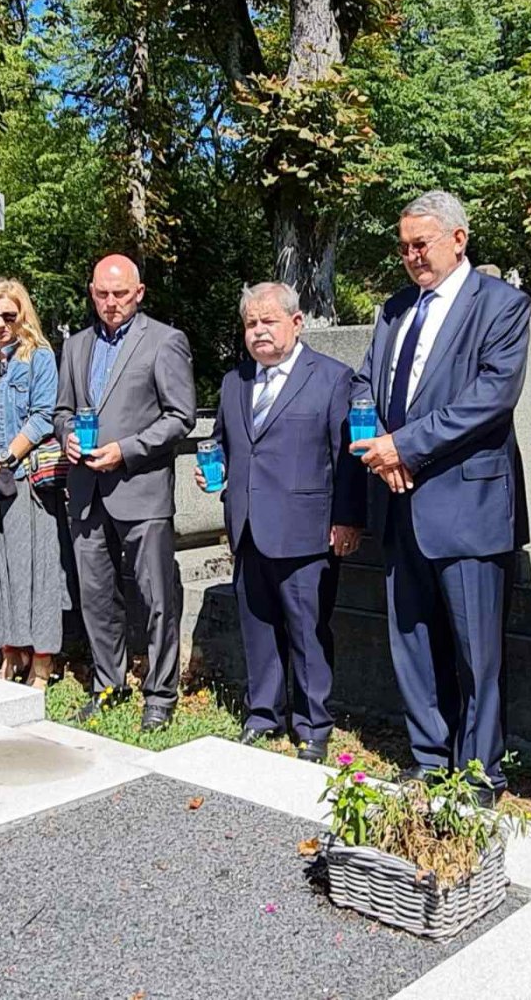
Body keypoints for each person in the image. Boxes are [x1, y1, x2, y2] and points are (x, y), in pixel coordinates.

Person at [350, 191, 530, 806]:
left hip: (468, 505)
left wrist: (404, 446)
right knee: (413, 640)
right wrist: (378, 443)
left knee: (477, 651)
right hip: (397, 500)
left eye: (420, 244)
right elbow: (364, 384)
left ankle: (479, 773)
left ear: (459, 239)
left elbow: (491, 397)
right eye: (403, 247)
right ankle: (429, 758)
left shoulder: (501, 306)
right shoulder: (395, 310)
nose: (411, 256)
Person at [197, 282, 365, 762]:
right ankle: (263, 714)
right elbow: (224, 442)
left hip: (307, 529)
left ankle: (313, 725)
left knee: (307, 632)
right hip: (249, 526)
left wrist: (348, 519)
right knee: (257, 627)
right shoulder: (235, 382)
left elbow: (348, 457)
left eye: (268, 321)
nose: (258, 331)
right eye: (251, 323)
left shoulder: (332, 378)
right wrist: (214, 470)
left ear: (296, 322)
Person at [54, 254, 196, 732]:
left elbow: (180, 416)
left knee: (157, 598)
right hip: (86, 490)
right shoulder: (76, 345)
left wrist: (126, 450)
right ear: (91, 293)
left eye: (120, 293)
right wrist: (67, 436)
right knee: (95, 596)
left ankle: (160, 694)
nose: (110, 302)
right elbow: (61, 411)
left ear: (139, 293)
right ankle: (108, 685)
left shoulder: (164, 341)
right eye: (102, 293)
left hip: (141, 489)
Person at [0, 278, 68, 690]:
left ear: (24, 316)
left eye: (9, 315)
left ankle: (42, 659)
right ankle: (10, 649)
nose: (1, 323)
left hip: (22, 481)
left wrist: (4, 459)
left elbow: (43, 417)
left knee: (34, 571)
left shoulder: (38, 357)